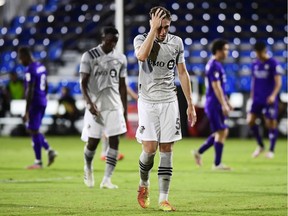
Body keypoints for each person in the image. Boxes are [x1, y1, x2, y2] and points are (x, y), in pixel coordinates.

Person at [134, 6, 197, 212]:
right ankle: (144, 184)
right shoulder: (141, 39)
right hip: (147, 101)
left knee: (167, 149)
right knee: (150, 150)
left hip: (169, 100)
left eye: (166, 28)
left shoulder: (177, 42)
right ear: (151, 24)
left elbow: (182, 72)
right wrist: (153, 30)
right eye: (159, 27)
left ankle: (164, 198)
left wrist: (190, 103)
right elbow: (142, 57)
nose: (163, 32)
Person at [80, 26, 127, 189]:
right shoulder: (89, 56)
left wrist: (124, 109)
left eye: (115, 41)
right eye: (109, 40)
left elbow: (122, 85)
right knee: (92, 143)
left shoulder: (121, 58)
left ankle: (107, 179)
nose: (112, 43)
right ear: (102, 38)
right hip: (95, 106)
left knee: (114, 142)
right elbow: (83, 83)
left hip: (114, 106)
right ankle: (88, 167)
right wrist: (89, 103)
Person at [193, 39, 232, 171]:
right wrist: (224, 104)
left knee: (221, 131)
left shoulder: (218, 65)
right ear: (219, 50)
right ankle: (216, 164)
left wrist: (226, 102)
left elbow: (221, 87)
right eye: (226, 49)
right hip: (213, 104)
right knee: (221, 131)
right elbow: (216, 87)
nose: (227, 52)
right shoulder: (213, 65)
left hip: (217, 103)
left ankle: (200, 152)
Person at [18, 46, 57, 169]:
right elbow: (46, 85)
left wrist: (26, 111)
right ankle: (49, 150)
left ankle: (38, 161)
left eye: (20, 59)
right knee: (34, 129)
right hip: (42, 100)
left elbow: (29, 89)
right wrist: (44, 97)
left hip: (34, 102)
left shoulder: (30, 69)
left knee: (33, 130)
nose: (20, 61)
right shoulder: (41, 66)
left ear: (25, 57)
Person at [247, 41, 283, 159]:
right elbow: (254, 81)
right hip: (257, 98)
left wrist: (273, 95)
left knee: (270, 123)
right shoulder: (255, 63)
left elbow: (278, 82)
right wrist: (252, 96)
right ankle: (261, 145)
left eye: (259, 53)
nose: (258, 55)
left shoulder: (273, 63)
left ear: (264, 51)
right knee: (250, 121)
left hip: (269, 98)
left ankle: (271, 150)